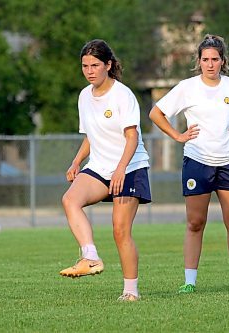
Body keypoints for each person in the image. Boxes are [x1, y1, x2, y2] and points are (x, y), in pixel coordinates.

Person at [149, 34, 229, 294]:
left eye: (215, 59)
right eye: (205, 59)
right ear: (198, 62)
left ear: (223, 61)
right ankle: (189, 283)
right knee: (195, 222)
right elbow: (156, 113)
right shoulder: (186, 87)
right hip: (197, 161)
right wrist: (178, 136)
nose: (210, 64)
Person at [59, 39, 151, 302]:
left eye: (95, 65)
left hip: (130, 166)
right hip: (99, 166)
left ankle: (131, 291)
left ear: (108, 65)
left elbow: (131, 138)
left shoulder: (123, 95)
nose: (89, 71)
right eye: (85, 66)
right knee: (70, 200)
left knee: (120, 230)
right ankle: (90, 256)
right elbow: (90, 136)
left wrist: (121, 169)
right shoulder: (84, 96)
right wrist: (76, 162)